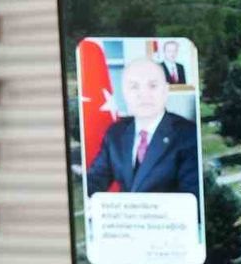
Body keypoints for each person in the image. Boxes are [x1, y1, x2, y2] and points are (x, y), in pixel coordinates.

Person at [86, 58, 200, 200]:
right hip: (122, 214)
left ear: (165, 91)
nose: (144, 94)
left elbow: (191, 197)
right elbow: (96, 179)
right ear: (124, 93)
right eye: (134, 87)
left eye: (152, 86)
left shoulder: (188, 135)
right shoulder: (116, 133)